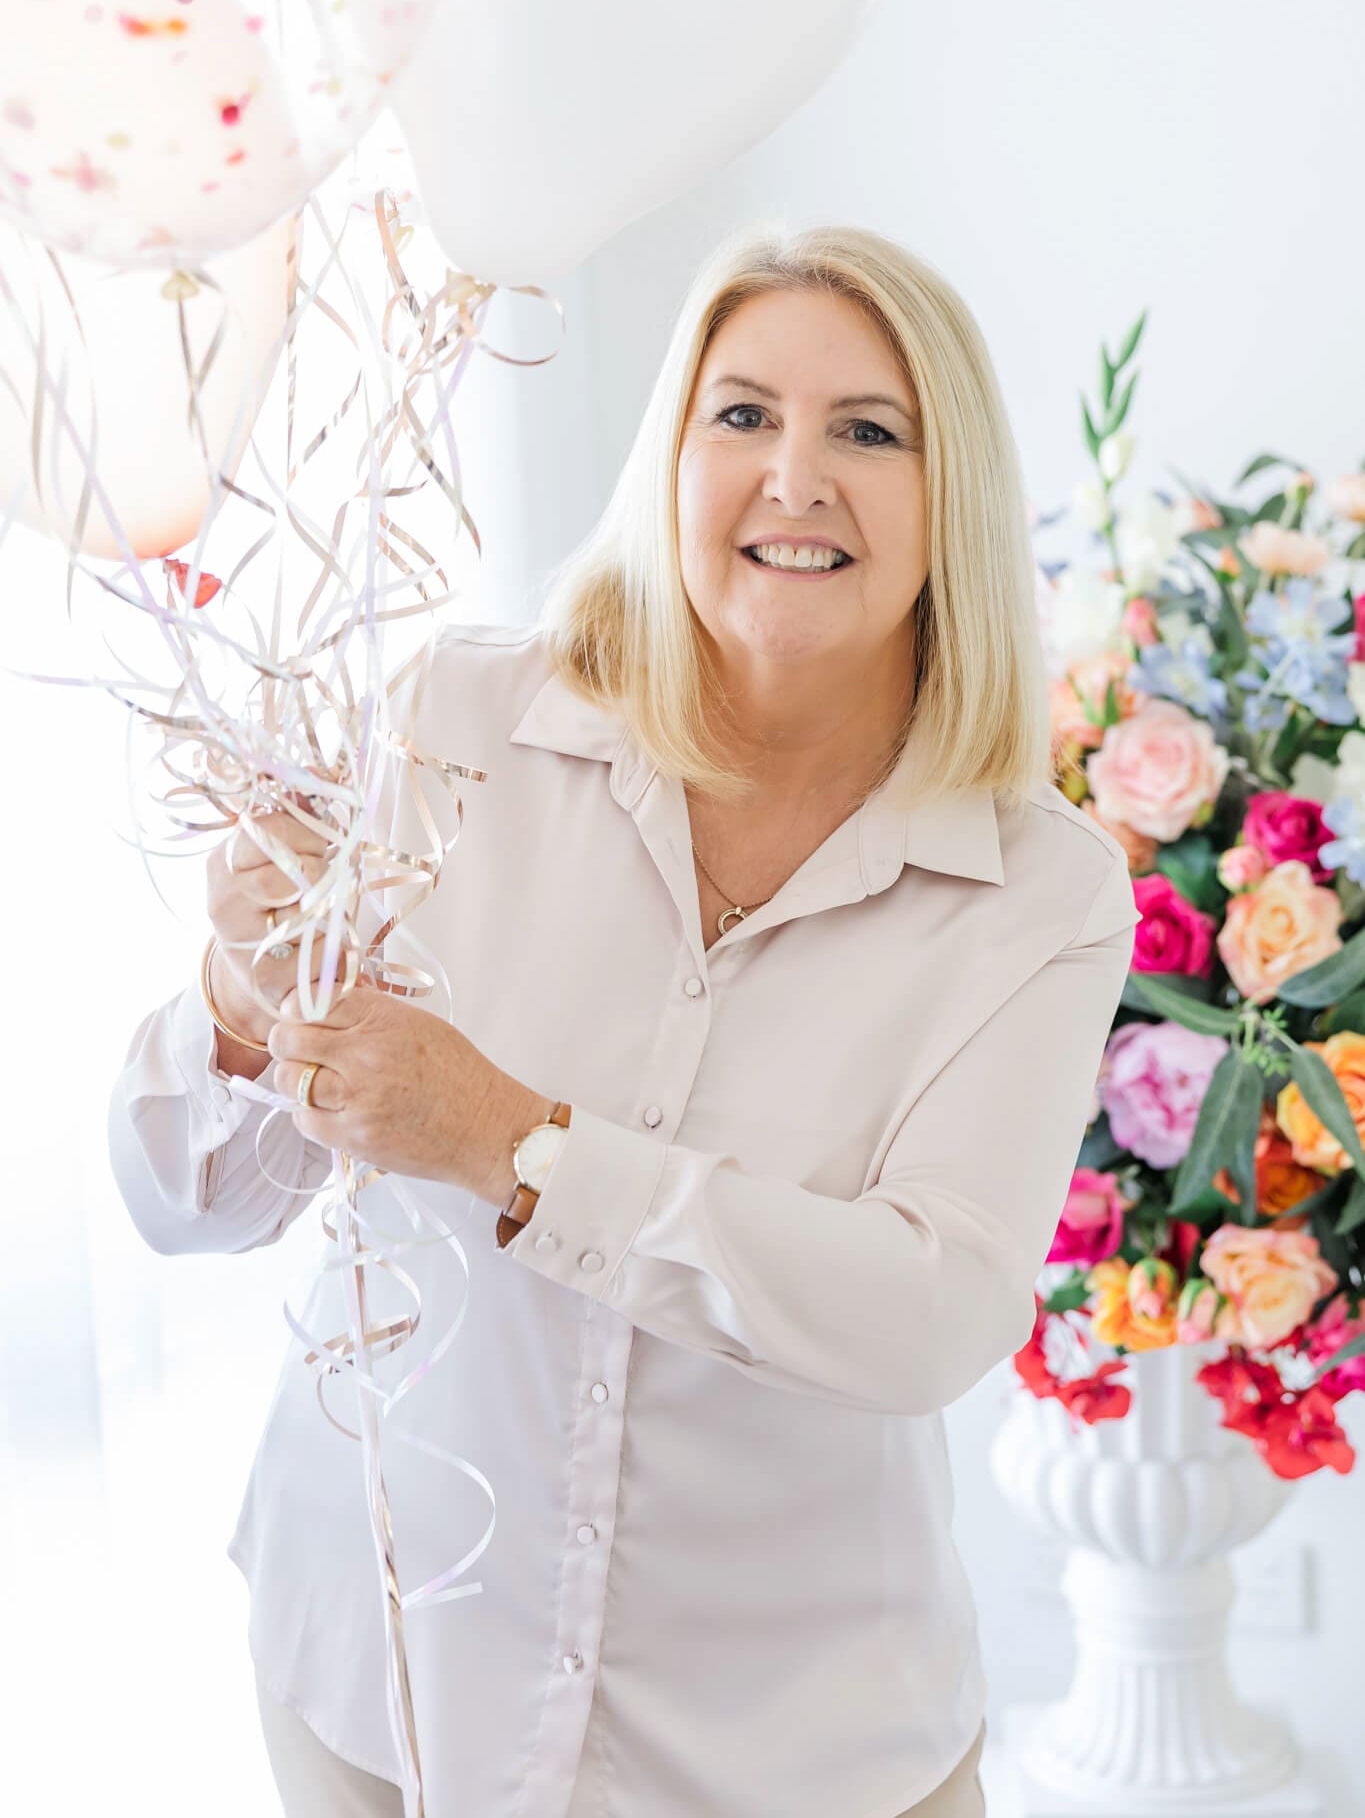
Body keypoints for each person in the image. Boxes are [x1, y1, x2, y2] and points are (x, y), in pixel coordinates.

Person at [107, 222, 1140, 1818]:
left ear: (957, 503)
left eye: (867, 430)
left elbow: (927, 1313)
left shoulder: (1038, 890)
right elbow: (184, 1207)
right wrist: (242, 1013)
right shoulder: (456, 720)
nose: (793, 476)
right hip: (381, 1678)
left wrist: (514, 1146)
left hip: (791, 1748)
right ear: (670, 455)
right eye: (741, 415)